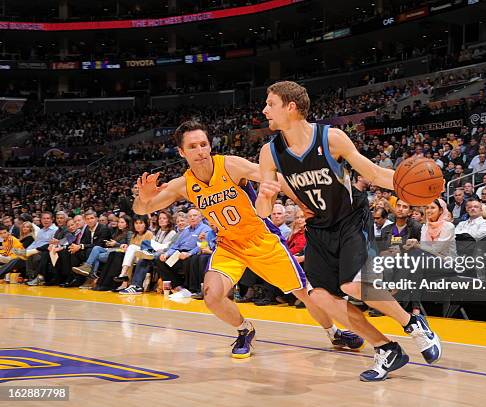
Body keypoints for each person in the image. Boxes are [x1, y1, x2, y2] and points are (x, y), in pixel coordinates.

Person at [256, 81, 441, 382]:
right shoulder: (269, 153)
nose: (265, 110)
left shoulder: (331, 137)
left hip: (350, 218)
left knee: (353, 286)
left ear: (290, 107)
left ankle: (413, 324)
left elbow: (373, 173)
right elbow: (263, 212)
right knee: (321, 298)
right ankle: (386, 348)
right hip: (318, 227)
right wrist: (265, 196)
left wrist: (420, 190)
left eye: (270, 103)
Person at [132, 120, 363, 360]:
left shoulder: (231, 165)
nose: (200, 150)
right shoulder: (184, 185)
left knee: (306, 293)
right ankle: (244, 330)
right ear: (181, 152)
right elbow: (142, 208)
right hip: (229, 245)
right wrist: (143, 197)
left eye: (203, 144)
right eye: (193, 146)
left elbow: (274, 178)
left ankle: (334, 332)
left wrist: (309, 197)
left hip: (261, 240)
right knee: (211, 295)